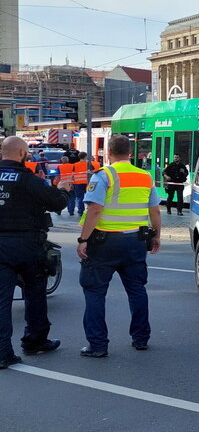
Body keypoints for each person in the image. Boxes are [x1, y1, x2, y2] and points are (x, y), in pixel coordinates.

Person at [76, 134, 162, 358]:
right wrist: (157, 236)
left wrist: (83, 239)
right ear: (130, 153)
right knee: (137, 290)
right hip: (135, 242)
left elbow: (94, 210)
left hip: (104, 243)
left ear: (109, 153)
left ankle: (97, 345)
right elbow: (154, 210)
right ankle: (141, 338)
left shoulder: (104, 175)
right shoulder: (145, 176)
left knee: (95, 292)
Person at [0, 137, 70, 369]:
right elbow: (55, 203)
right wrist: (63, 191)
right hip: (28, 245)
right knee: (35, 293)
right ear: (22, 153)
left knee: (2, 300)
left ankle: (2, 352)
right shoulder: (28, 179)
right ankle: (35, 341)